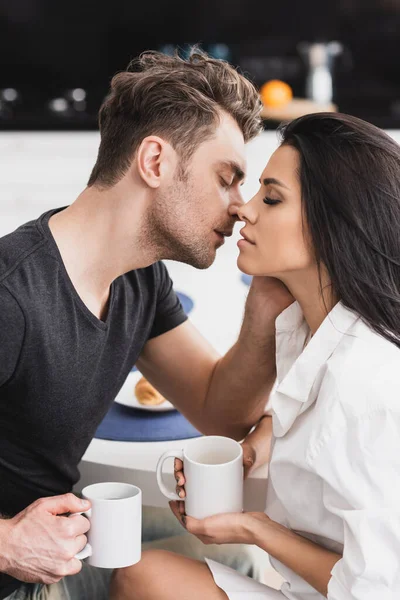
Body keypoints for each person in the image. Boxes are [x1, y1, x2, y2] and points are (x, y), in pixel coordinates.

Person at [0, 49, 295, 600]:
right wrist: (8, 541)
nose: (241, 207)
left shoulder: (140, 280)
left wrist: (264, 307)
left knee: (232, 556)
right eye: (227, 179)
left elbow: (220, 412)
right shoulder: (11, 295)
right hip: (17, 576)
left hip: (63, 550)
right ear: (155, 162)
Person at [122, 111, 400, 600]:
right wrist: (258, 444)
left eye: (271, 198)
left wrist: (253, 529)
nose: (243, 210)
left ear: (335, 224)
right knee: (143, 576)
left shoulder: (367, 385)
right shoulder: (307, 326)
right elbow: (309, 404)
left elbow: (375, 587)